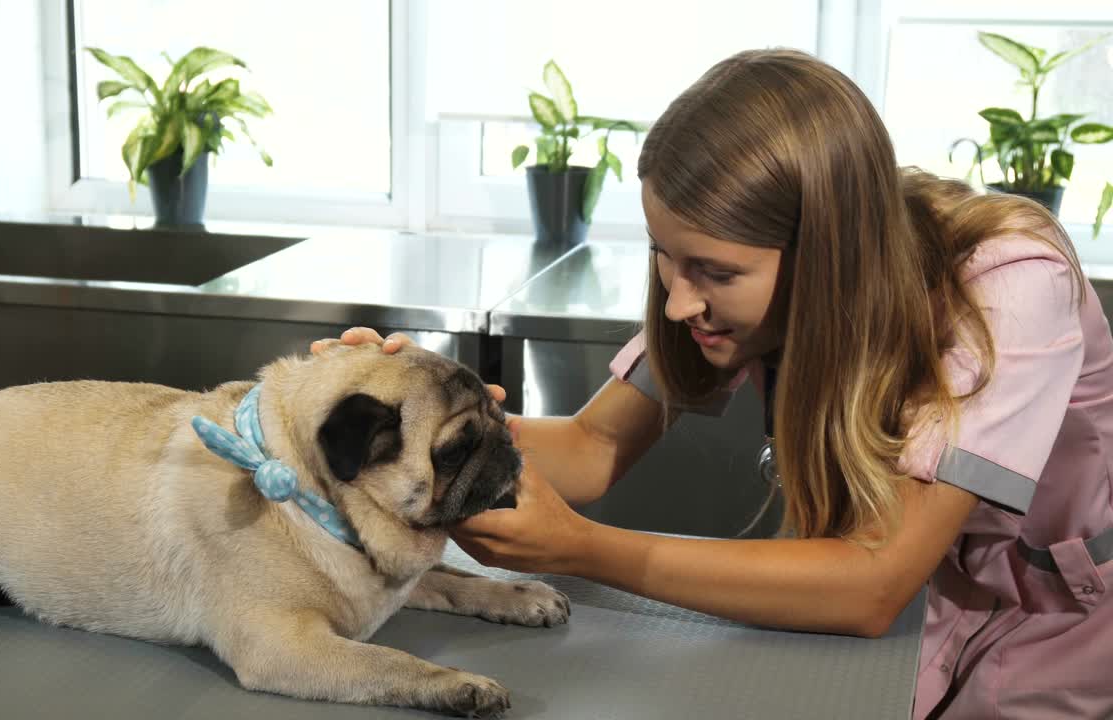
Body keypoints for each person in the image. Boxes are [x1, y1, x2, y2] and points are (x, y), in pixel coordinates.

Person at [313, 48, 1113, 719]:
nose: (678, 300)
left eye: (715, 271)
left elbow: (873, 581)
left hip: (1050, 625)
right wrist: (433, 427)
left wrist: (585, 551)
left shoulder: (1009, 283)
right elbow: (592, 447)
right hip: (907, 607)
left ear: (825, 259)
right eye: (664, 254)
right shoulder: (728, 292)